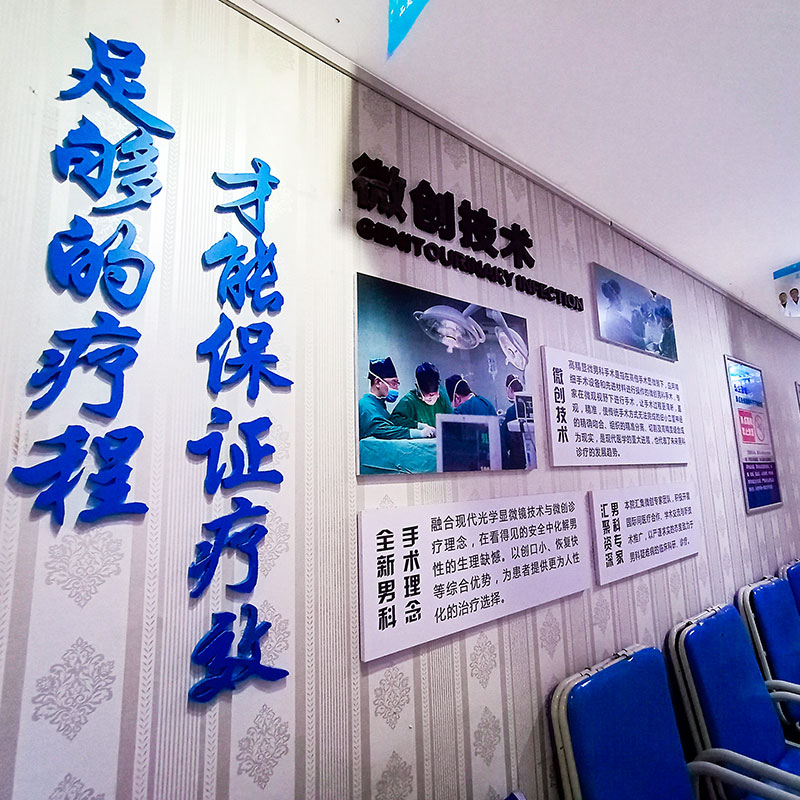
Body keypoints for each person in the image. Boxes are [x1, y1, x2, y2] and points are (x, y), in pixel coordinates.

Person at [358, 357, 434, 439]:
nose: (396, 388)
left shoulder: (379, 404)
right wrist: (418, 433)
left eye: (397, 384)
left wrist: (419, 425)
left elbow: (394, 422)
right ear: (378, 382)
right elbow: (381, 430)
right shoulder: (366, 405)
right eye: (393, 383)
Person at [390, 362, 453, 430]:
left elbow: (451, 418)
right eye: (427, 394)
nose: (431, 397)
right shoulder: (409, 401)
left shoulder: (442, 395)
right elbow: (395, 420)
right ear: (417, 387)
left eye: (433, 394)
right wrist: (417, 425)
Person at [500, 374, 527, 469]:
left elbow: (505, 438)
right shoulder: (527, 407)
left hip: (517, 458)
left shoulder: (512, 411)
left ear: (510, 389)